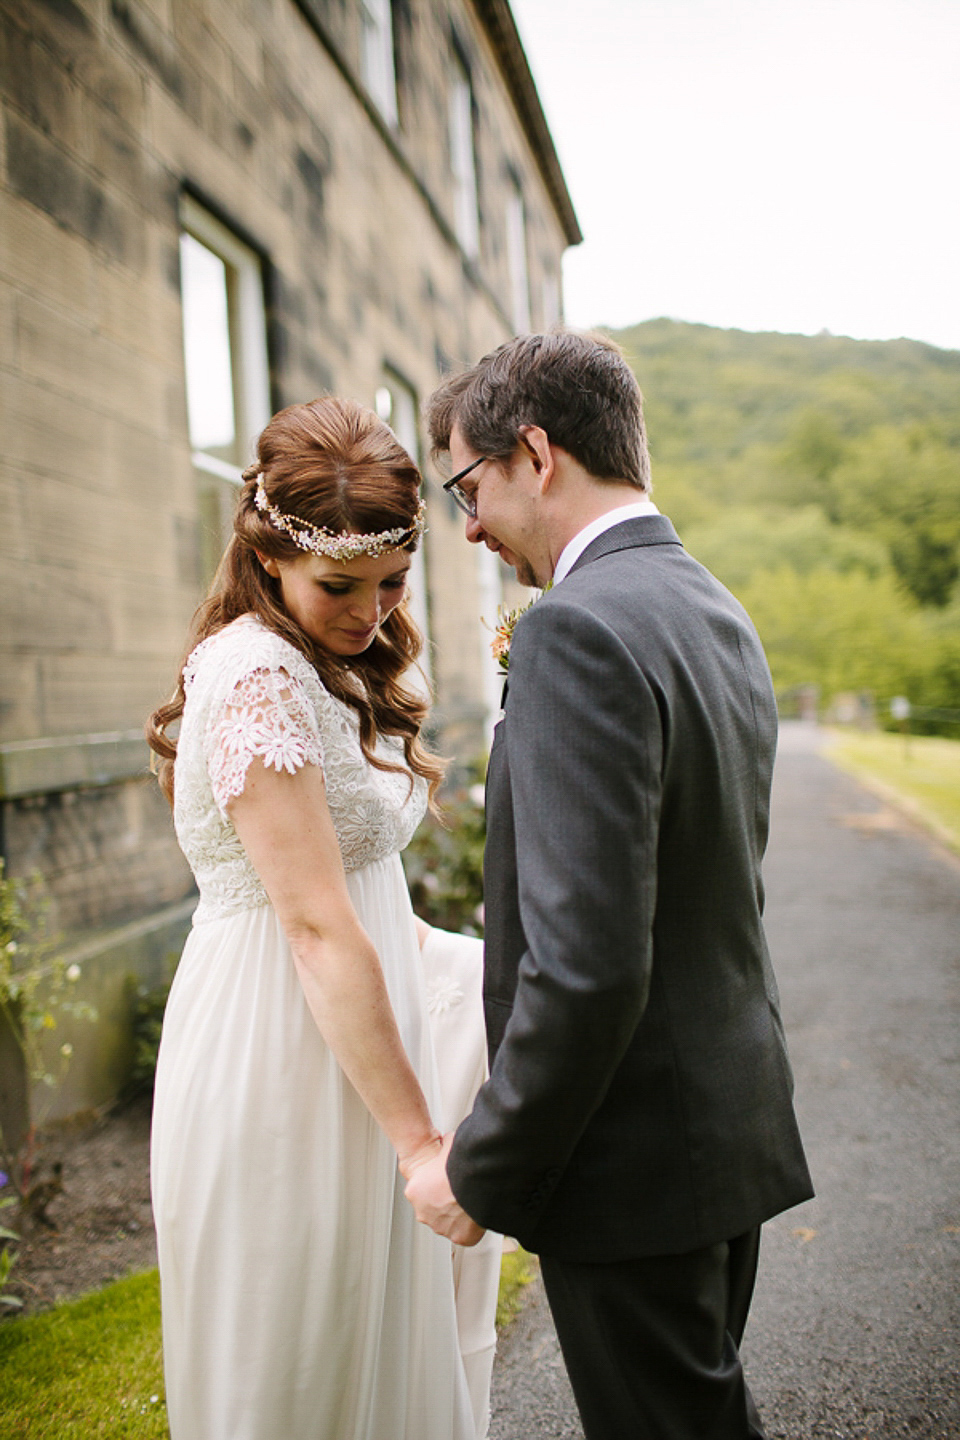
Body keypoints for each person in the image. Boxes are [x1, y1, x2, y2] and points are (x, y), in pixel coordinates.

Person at [406, 332, 814, 1439]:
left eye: (469, 488)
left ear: (535, 454)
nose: (473, 526)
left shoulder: (577, 631)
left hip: (633, 1163)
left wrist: (480, 1166)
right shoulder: (710, 604)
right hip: (723, 1127)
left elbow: (585, 968)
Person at [146, 397, 499, 1440]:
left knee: (366, 1345)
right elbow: (310, 926)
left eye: (394, 583)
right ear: (268, 556)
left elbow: (362, 900)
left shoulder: (323, 660)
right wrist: (420, 1144)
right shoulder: (256, 673)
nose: (374, 613)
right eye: (340, 586)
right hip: (282, 1054)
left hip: (355, 1038)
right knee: (301, 1362)